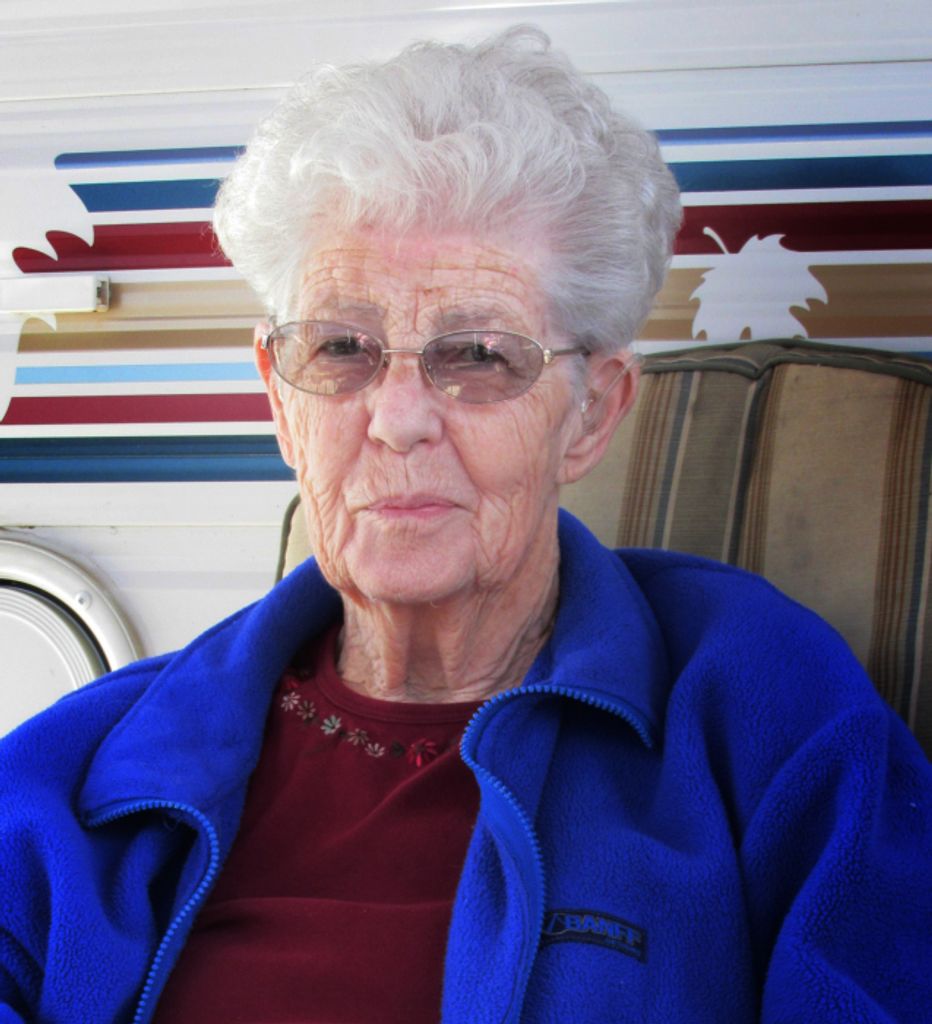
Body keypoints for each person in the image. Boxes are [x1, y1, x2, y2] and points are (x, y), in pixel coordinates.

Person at [1, 25, 930, 1024]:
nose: (397, 418)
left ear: (592, 413)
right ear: (279, 399)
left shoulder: (763, 701)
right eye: (341, 348)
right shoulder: (83, 768)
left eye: (479, 355)